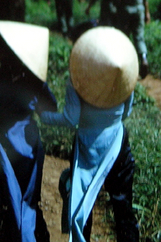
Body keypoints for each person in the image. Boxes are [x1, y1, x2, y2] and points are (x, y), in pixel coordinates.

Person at [41, 27, 140, 242]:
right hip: (117, 142)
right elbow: (126, 112)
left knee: (82, 201)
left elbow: (70, 119)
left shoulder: (78, 78)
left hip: (88, 145)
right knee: (122, 204)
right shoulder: (123, 73)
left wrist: (45, 117)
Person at [0, 21, 57, 242]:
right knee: (27, 202)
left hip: (3, 147)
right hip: (30, 146)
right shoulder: (34, 80)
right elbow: (50, 108)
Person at [114, 0, 151, 78]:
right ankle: (144, 58)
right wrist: (147, 12)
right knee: (139, 37)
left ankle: (128, 67)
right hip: (139, 9)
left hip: (125, 11)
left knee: (125, 39)